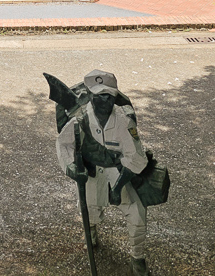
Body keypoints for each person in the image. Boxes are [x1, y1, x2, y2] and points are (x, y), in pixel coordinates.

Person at [58, 70, 150, 276]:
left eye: (109, 96)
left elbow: (137, 158)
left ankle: (138, 257)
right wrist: (72, 167)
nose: (104, 101)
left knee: (137, 215)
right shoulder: (79, 119)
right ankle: (91, 234)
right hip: (92, 174)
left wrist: (117, 188)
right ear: (90, 95)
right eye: (99, 95)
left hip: (120, 173)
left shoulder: (124, 122)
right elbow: (63, 144)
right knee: (89, 210)